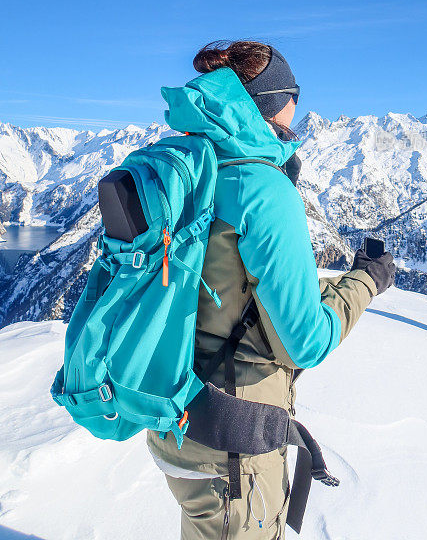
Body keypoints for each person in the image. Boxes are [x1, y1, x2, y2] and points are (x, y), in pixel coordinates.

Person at [147, 40, 395, 540]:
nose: (298, 114)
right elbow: (304, 341)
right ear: (271, 103)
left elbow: (224, 290)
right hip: (232, 438)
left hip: (176, 419)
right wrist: (366, 281)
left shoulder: (195, 167)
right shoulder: (261, 186)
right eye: (293, 98)